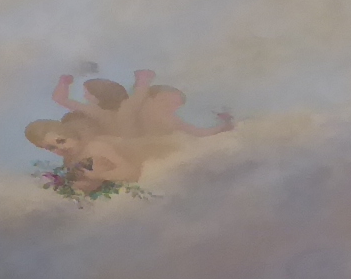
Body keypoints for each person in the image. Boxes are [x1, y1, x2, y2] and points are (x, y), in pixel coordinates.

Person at [23, 69, 234, 194]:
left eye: (87, 94)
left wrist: (64, 82)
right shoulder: (104, 118)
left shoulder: (107, 116)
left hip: (135, 152)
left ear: (99, 96)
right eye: (50, 147)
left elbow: (61, 99)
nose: (85, 97)